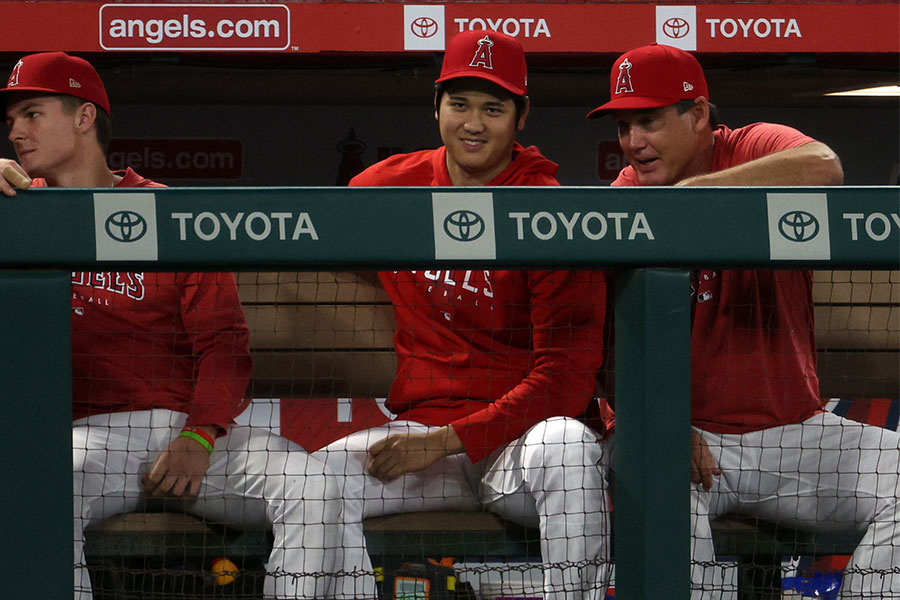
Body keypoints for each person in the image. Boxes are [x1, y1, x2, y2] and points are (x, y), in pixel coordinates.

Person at [0, 52, 374, 600]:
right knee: (36, 489)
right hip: (87, 439)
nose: (15, 132)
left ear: (84, 118)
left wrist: (199, 435)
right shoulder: (17, 213)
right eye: (9, 121)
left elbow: (224, 345)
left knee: (314, 482)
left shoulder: (168, 214)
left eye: (32, 113)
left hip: (191, 434)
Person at [587, 43, 900, 599]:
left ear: (700, 115)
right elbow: (603, 350)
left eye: (651, 121)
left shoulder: (752, 146)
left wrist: (694, 197)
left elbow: (824, 167)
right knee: (656, 485)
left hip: (795, 434)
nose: (634, 142)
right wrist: (661, 423)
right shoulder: (625, 200)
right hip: (688, 441)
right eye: (624, 125)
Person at [312, 30, 611, 600]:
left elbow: (565, 382)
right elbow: (327, 224)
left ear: (521, 117)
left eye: (493, 108)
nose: (473, 123)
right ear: (436, 106)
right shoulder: (390, 185)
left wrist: (448, 439)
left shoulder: (550, 213)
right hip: (422, 441)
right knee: (310, 483)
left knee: (570, 446)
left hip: (519, 447)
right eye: (460, 104)